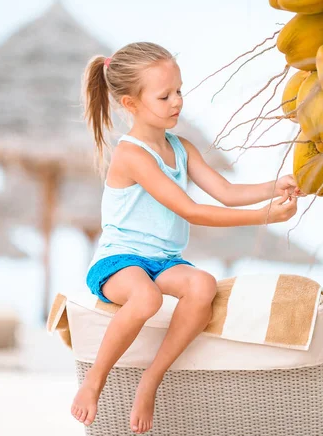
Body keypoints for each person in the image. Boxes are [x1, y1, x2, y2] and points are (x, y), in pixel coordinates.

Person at [71, 41, 302, 434]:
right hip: (120, 259)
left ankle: (152, 379)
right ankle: (96, 379)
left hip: (165, 261)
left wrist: (272, 186)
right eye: (164, 95)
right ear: (130, 104)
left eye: (179, 90)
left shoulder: (181, 146)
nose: (177, 101)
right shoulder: (133, 155)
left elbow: (225, 191)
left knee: (202, 285)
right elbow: (191, 210)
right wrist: (263, 217)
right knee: (146, 297)